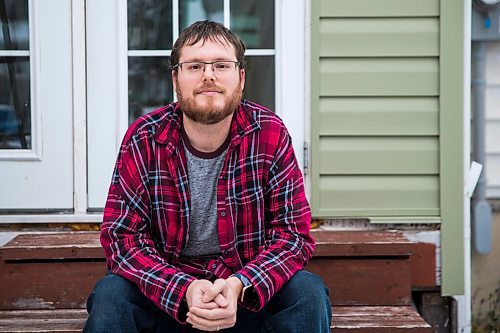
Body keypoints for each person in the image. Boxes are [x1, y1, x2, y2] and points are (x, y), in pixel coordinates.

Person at [84, 20, 331, 333]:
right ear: (176, 78)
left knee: (306, 292)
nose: (209, 75)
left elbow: (292, 233)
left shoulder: (269, 133)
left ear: (241, 78)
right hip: (167, 300)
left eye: (221, 65)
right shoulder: (144, 138)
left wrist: (240, 284)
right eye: (195, 66)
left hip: (244, 300)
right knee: (112, 295)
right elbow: (122, 238)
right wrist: (183, 290)